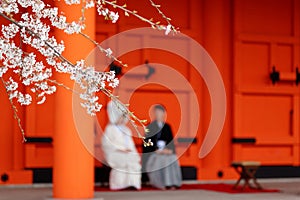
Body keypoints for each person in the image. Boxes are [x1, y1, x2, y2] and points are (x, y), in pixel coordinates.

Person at [102, 100, 141, 190]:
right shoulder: (110, 129)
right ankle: (119, 184)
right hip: (115, 153)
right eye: (120, 117)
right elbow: (106, 144)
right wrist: (121, 149)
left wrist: (131, 151)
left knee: (133, 161)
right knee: (124, 161)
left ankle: (132, 183)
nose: (122, 119)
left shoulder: (127, 130)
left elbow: (131, 144)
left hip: (127, 152)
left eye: (123, 117)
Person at [142, 104, 182, 190]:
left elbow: (171, 142)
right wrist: (155, 150)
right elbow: (146, 143)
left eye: (159, 112)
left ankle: (173, 182)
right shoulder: (150, 126)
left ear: (164, 114)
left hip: (165, 151)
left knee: (172, 158)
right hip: (154, 153)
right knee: (164, 159)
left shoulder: (167, 127)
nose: (157, 114)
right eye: (156, 112)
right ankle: (165, 183)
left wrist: (169, 150)